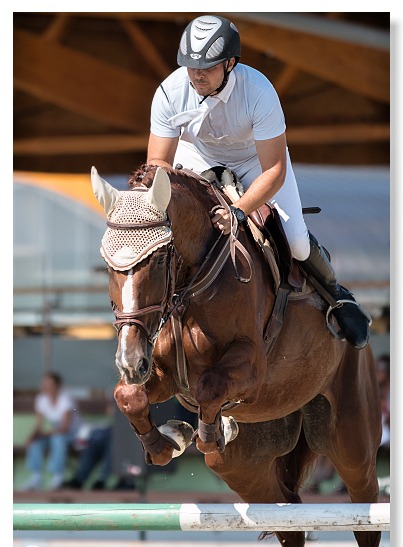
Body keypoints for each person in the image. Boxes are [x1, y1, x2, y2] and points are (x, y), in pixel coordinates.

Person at [147, 14, 370, 349]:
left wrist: (239, 210)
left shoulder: (259, 91)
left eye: (206, 67)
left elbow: (275, 170)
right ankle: (148, 314)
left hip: (256, 161)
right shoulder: (170, 91)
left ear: (230, 63)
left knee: (295, 241)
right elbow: (158, 164)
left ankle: (337, 297)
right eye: (191, 67)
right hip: (196, 156)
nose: (196, 75)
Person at [20, 372, 80, 491]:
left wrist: (45, 433)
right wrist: (31, 437)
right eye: (44, 384)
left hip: (71, 434)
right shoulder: (41, 399)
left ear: (58, 386)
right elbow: (39, 424)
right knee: (35, 442)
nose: (46, 387)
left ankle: (58, 476)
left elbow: (65, 428)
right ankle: (36, 477)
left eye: (50, 384)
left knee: (58, 439)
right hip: (51, 433)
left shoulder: (65, 399)